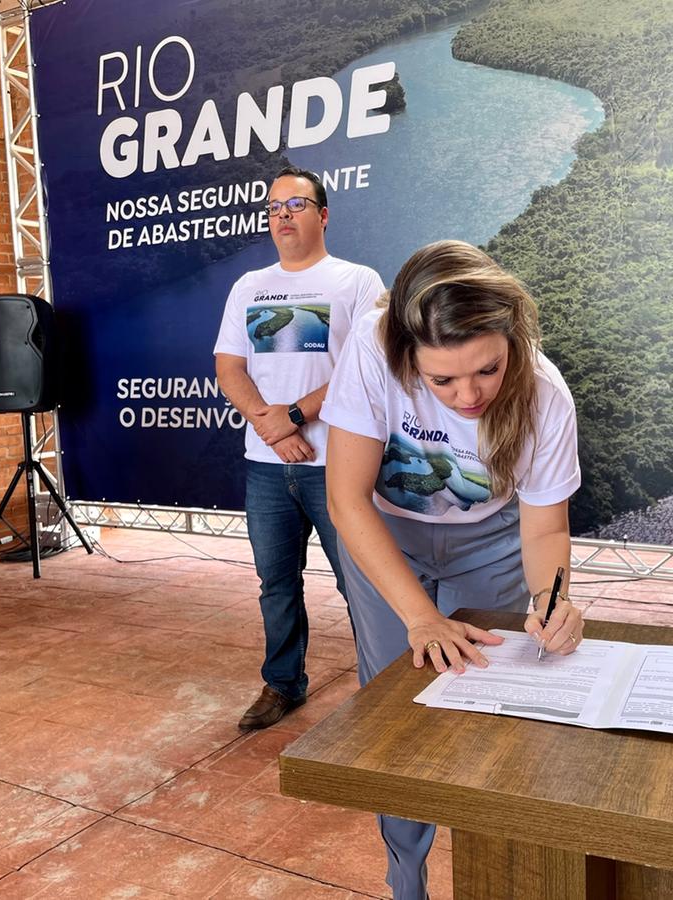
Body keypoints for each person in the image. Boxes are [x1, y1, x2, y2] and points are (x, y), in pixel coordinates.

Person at [321, 239, 585, 900]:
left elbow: (545, 526)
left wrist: (551, 603)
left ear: (513, 340)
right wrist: (420, 616)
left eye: (488, 371)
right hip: (387, 533)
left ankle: (491, 870)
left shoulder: (546, 396)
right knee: (397, 712)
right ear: (408, 357)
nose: (468, 395)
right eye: (442, 381)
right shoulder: (370, 351)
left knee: (489, 703)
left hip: (491, 540)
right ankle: (405, 880)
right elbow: (346, 499)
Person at [214, 166, 384, 730]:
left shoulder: (358, 282)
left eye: (296, 204)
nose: (282, 215)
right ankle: (283, 683)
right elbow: (229, 367)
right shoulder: (248, 287)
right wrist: (269, 426)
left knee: (360, 578)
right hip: (266, 467)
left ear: (323, 214)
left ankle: (383, 683)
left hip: (339, 465)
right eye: (272, 207)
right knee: (276, 582)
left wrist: (290, 417)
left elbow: (366, 369)